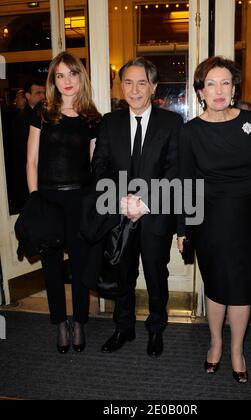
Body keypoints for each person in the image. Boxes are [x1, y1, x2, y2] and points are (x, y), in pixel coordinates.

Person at [177, 56, 251, 383]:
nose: (218, 90)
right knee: (218, 284)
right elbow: (185, 184)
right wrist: (182, 228)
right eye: (211, 83)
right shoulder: (190, 131)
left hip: (248, 218)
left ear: (234, 88)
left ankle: (237, 349)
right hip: (209, 220)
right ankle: (216, 342)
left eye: (225, 83)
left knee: (242, 285)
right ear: (201, 91)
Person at [92, 57, 183, 358]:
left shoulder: (171, 123)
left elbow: (174, 171)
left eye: (141, 82)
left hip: (155, 215)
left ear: (153, 86)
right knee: (122, 273)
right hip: (118, 214)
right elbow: (99, 167)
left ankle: (155, 330)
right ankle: (123, 327)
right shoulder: (109, 122)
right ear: (121, 86)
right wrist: (121, 200)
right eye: (128, 82)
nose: (134, 89)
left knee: (157, 274)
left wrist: (144, 203)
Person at [27, 52, 101, 353]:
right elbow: (31, 160)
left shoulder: (91, 118)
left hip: (80, 200)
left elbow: (96, 164)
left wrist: (96, 201)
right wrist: (34, 199)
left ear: (80, 77)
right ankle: (60, 322)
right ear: (53, 81)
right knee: (52, 266)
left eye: (72, 73)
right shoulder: (41, 113)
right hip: (47, 198)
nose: (67, 81)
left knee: (81, 266)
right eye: (60, 75)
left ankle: (80, 321)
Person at [11, 81, 46, 213]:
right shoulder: (22, 118)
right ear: (27, 95)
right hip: (26, 178)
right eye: (38, 93)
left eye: (43, 92)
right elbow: (22, 152)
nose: (42, 96)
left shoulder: (45, 114)